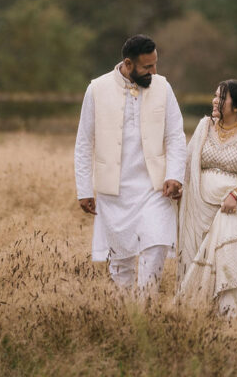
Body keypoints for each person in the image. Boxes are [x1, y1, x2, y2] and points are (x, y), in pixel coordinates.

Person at [75, 35, 186, 293]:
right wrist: (84, 190)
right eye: (147, 67)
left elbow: (176, 135)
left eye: (155, 64)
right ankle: (125, 320)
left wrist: (175, 175)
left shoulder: (163, 87)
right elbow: (84, 142)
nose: (154, 72)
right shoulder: (96, 89)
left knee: (157, 244)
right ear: (128, 63)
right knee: (120, 265)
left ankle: (146, 305)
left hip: (154, 188)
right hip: (114, 193)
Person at [177, 79, 237, 316]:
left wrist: (236, 195)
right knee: (197, 254)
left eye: (222, 97)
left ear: (236, 106)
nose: (215, 100)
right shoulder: (204, 128)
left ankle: (230, 316)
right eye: (215, 95)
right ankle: (195, 312)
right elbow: (188, 164)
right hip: (199, 208)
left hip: (231, 210)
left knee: (227, 260)